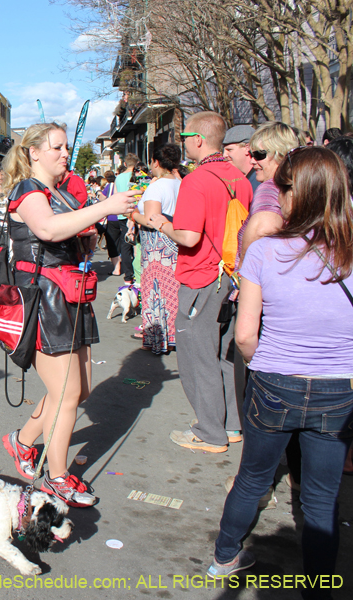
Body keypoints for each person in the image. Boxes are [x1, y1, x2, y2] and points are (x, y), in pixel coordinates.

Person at [207, 146, 353, 586]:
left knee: (252, 478)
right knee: (322, 497)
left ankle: (224, 557)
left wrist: (263, 365)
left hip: (274, 380)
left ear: (296, 194)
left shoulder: (265, 253)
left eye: (282, 189)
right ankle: (319, 585)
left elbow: (245, 335)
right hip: (337, 388)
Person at [0, 122, 139, 508]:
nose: (65, 154)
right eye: (57, 147)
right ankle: (56, 477)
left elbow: (61, 233)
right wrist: (105, 207)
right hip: (46, 300)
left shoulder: (56, 192)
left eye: (65, 147)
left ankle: (23, 441)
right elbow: (45, 229)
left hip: (71, 295)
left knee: (79, 391)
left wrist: (86, 235)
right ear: (33, 154)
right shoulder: (28, 190)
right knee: (66, 396)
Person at [147, 111, 253, 454]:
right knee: (224, 355)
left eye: (184, 137)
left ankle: (210, 432)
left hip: (203, 277)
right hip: (234, 277)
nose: (182, 143)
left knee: (197, 356)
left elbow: (189, 236)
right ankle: (232, 426)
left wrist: (161, 223)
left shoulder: (198, 179)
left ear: (197, 139)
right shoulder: (241, 177)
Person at [129, 143, 182, 352]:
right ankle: (174, 335)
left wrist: (133, 214)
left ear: (156, 162)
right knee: (172, 290)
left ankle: (158, 340)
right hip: (174, 239)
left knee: (155, 291)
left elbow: (151, 219)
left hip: (156, 244)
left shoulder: (156, 187)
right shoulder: (179, 182)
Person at [238, 122, 306, 268]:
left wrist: (243, 270)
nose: (252, 161)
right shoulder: (302, 183)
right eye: (251, 154)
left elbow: (262, 228)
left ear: (280, 153)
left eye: (258, 155)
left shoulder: (271, 186)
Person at [114, 154, 139, 283]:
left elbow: (115, 194)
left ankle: (128, 276)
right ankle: (138, 272)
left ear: (124, 164)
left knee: (125, 244)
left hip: (122, 212)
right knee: (137, 243)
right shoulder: (138, 176)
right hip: (136, 212)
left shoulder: (118, 178)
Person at [222, 125, 260, 195]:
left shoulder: (258, 181)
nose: (224, 155)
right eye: (223, 150)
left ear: (247, 148)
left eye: (229, 150)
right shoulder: (240, 179)